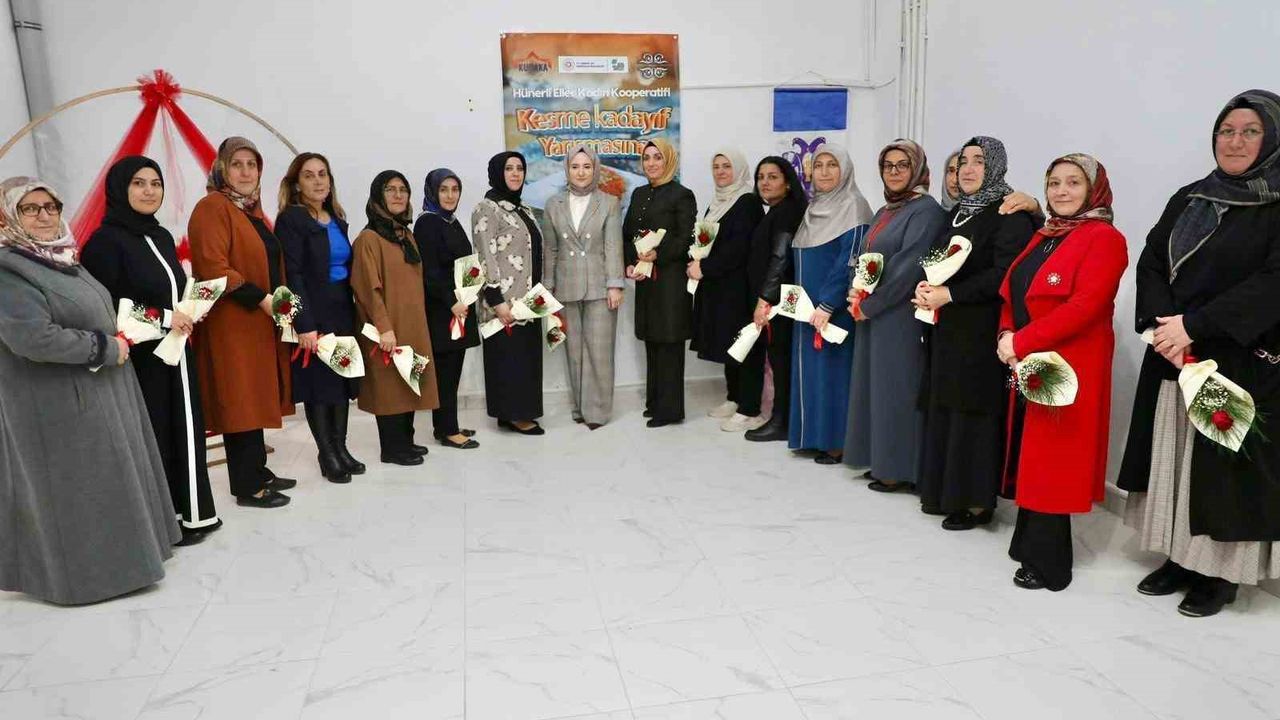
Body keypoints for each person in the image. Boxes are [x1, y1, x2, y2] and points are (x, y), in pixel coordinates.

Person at [1118, 89, 1280, 617]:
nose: (1235, 141)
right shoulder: (1191, 196)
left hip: (1238, 359)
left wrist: (1195, 325)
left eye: (1250, 131)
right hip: (1174, 353)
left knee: (1224, 472)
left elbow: (1272, 284)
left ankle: (1220, 574)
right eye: (1226, 131)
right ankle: (1179, 558)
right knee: (1176, 457)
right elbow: (1151, 259)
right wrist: (1162, 325)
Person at [0, 176, 181, 605]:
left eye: (51, 206)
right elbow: (33, 338)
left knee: (108, 481)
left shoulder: (62, 258)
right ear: (7, 217)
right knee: (79, 491)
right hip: (57, 403)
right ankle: (88, 579)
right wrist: (104, 347)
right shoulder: (10, 270)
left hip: (99, 389)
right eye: (30, 208)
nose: (44, 216)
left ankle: (130, 563)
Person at [997, 153, 1128, 591]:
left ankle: (1051, 564)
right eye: (1054, 182)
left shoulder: (1104, 238)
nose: (1062, 191)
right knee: (1033, 454)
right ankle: (1028, 541)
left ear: (1093, 189)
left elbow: (1084, 306)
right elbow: (1014, 291)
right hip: (1031, 359)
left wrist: (1020, 342)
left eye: (1074, 182)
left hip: (1070, 365)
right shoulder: (1047, 234)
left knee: (1053, 460)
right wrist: (1007, 333)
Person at [81, 156, 221, 543]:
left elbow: (168, 289)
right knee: (157, 433)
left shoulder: (159, 236)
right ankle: (164, 523)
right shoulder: (105, 243)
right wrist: (164, 318)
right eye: (139, 183)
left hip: (175, 352)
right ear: (120, 189)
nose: (149, 191)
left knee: (185, 429)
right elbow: (105, 306)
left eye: (155, 183)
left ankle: (194, 514)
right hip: (139, 360)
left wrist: (189, 309)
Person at [914, 136, 1036, 530]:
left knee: (974, 412)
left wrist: (950, 294)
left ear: (995, 166)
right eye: (963, 161)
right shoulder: (959, 212)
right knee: (946, 405)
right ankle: (943, 491)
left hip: (981, 330)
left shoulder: (1009, 215)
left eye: (979, 161)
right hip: (948, 327)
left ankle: (976, 502)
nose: (968, 169)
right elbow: (936, 261)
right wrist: (926, 287)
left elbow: (1004, 274)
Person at [189, 137, 295, 508]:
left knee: (255, 395)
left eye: (252, 164)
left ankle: (258, 470)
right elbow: (213, 267)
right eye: (237, 164)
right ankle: (247, 486)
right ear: (222, 168)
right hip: (232, 323)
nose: (246, 172)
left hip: (258, 322)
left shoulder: (249, 210)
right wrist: (263, 299)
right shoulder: (212, 207)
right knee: (241, 399)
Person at [844, 139, 945, 490]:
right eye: (888, 165)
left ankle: (900, 469)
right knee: (875, 388)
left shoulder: (926, 211)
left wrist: (869, 305)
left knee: (897, 388)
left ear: (917, 168)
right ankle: (881, 459)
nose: (895, 171)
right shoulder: (886, 210)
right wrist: (857, 291)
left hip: (900, 314)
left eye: (903, 165)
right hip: (875, 311)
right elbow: (868, 258)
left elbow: (909, 267)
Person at [275, 152, 362, 483]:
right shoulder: (291, 219)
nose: (317, 180)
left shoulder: (336, 217)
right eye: (309, 175)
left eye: (322, 174)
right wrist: (304, 323)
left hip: (341, 309)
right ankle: (327, 454)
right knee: (319, 386)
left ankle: (341, 449)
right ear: (297, 184)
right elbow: (292, 274)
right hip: (313, 310)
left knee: (340, 381)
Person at [789, 144, 872, 463]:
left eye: (832, 165)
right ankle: (811, 435)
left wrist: (827, 303)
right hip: (806, 308)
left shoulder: (854, 206)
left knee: (833, 375)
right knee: (810, 373)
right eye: (819, 165)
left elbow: (849, 260)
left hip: (832, 310)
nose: (824, 172)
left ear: (845, 170)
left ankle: (836, 442)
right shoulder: (814, 207)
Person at [352, 171, 440, 464]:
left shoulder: (405, 235)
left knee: (409, 381)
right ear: (378, 195)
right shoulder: (369, 238)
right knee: (389, 386)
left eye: (403, 189)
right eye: (390, 189)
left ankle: (406, 441)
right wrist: (384, 328)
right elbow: (368, 288)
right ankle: (392, 449)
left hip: (412, 323)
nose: (398, 195)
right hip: (387, 326)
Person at [540, 144, 625, 429]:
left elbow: (613, 246)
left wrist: (615, 284)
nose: (581, 172)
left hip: (601, 286)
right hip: (565, 285)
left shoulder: (609, 202)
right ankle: (579, 407)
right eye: (575, 166)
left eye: (587, 166)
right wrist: (548, 287)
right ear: (567, 169)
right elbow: (550, 249)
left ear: (595, 169)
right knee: (573, 351)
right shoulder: (553, 204)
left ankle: (597, 412)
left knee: (599, 352)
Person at [689, 148, 765, 431]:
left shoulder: (747, 201)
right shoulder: (718, 202)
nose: (720, 171)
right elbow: (710, 241)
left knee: (745, 346)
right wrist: (695, 258)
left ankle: (750, 409)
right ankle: (734, 398)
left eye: (727, 166)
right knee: (729, 343)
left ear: (739, 169)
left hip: (740, 288)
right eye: (716, 166)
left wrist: (705, 268)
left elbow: (739, 249)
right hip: (719, 287)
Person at [624, 138, 697, 427]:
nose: (651, 163)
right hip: (646, 280)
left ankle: (670, 410)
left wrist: (658, 254)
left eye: (658, 157)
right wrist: (631, 261)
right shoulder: (639, 193)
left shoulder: (682, 195)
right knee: (652, 341)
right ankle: (655, 403)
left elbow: (686, 237)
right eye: (647, 158)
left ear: (669, 161)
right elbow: (627, 232)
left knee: (669, 343)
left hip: (670, 282)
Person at [473, 152, 546, 435]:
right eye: (508, 168)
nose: (515, 173)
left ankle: (513, 412)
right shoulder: (487, 208)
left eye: (520, 168)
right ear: (497, 173)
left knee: (525, 358)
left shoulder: (522, 208)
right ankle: (516, 414)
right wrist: (496, 301)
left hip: (528, 301)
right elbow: (484, 256)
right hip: (504, 302)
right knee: (509, 359)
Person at [743, 157, 808, 442]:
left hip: (779, 301)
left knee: (781, 360)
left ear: (788, 182)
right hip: (777, 298)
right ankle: (781, 418)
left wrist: (765, 299)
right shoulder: (777, 211)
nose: (765, 183)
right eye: (761, 177)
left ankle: (781, 422)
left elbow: (780, 259)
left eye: (773, 177)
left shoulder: (787, 212)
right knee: (778, 358)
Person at [414, 168, 480, 448]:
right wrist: (452, 302)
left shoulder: (449, 220)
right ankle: (448, 430)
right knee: (445, 372)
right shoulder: (428, 223)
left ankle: (446, 424)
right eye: (444, 190)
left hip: (458, 307)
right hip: (443, 310)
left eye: (455, 189)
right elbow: (430, 271)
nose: (450, 195)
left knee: (452, 371)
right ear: (432, 192)